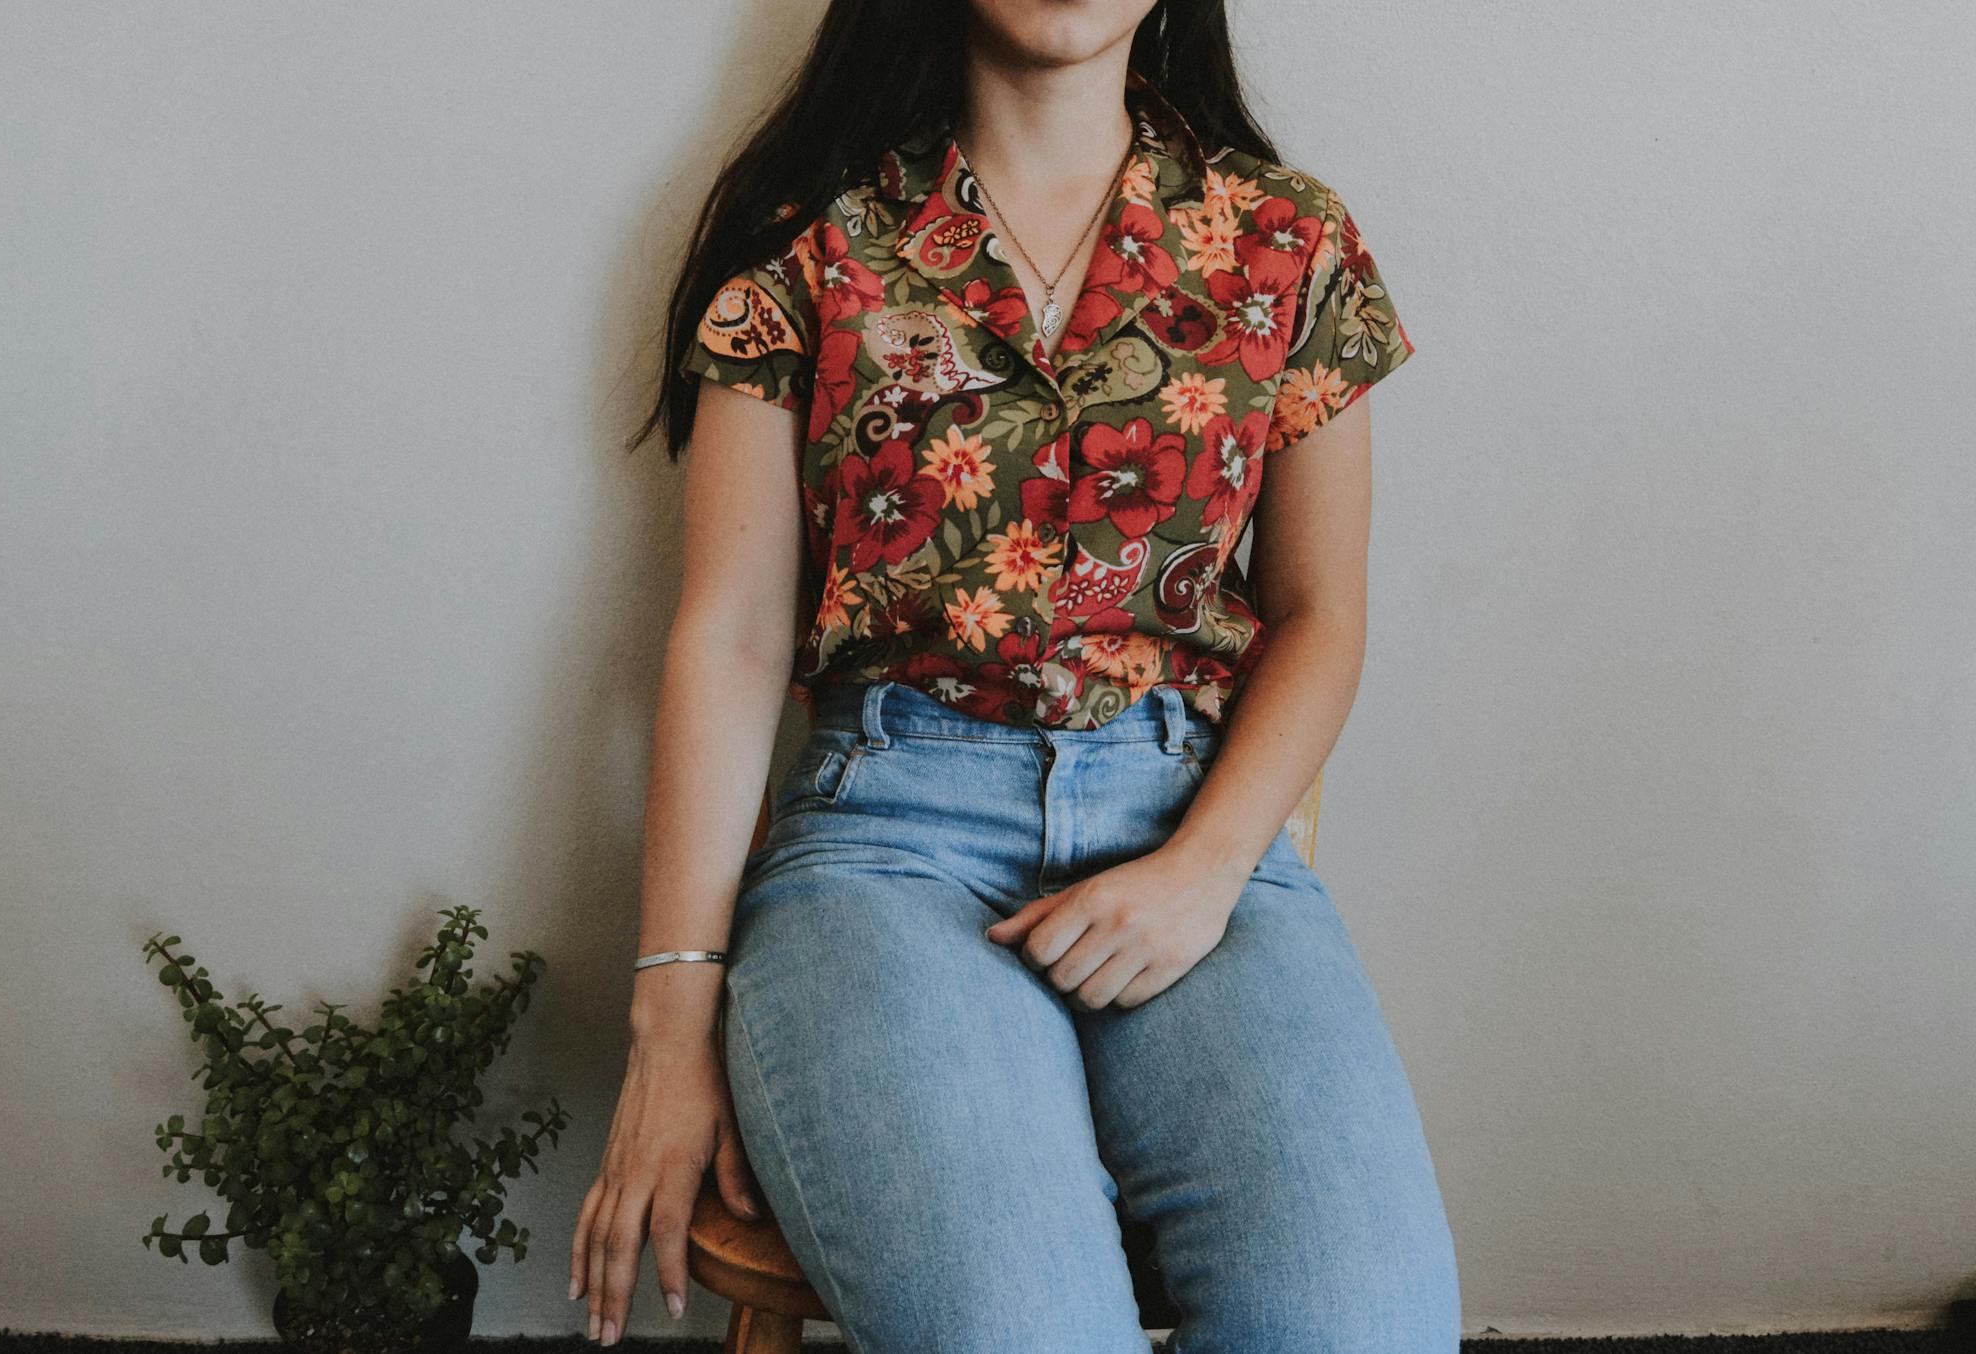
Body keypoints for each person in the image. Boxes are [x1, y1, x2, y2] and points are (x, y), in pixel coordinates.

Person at [571, 1, 1458, 1349]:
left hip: (1194, 828)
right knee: (1024, 1329)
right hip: (888, 846)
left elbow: (1321, 613)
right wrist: (668, 1020)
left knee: (1365, 1323)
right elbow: (732, 637)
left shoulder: (1293, 242)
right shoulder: (805, 241)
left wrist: (1207, 867)